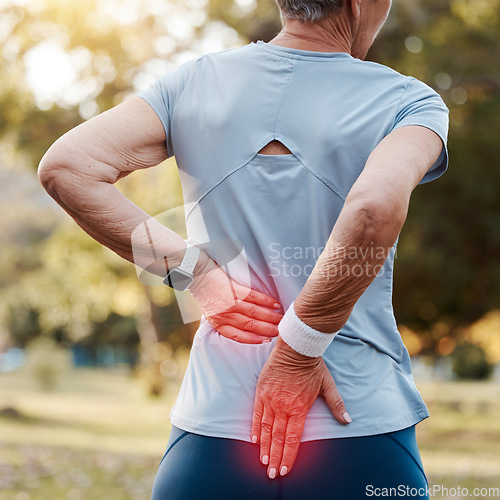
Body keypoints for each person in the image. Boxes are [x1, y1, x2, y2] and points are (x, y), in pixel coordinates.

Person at [38, 0, 449, 498]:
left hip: (214, 435)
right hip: (357, 428)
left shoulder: (193, 83)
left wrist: (194, 274)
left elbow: (66, 168)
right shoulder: (408, 101)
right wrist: (299, 349)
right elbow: (375, 210)